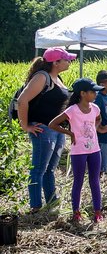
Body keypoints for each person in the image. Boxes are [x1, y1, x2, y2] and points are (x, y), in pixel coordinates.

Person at [17, 47, 73, 211]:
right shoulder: (42, 77)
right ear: (56, 62)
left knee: (50, 169)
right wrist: (25, 125)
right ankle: (35, 207)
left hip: (57, 129)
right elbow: (22, 101)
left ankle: (51, 202)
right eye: (66, 59)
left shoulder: (57, 78)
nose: (69, 61)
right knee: (38, 169)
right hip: (43, 129)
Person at [48, 78, 107, 222]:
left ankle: (97, 211)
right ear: (82, 93)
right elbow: (52, 124)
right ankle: (76, 211)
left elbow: (98, 119)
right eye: (92, 92)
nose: (95, 94)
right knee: (78, 181)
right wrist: (70, 133)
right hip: (78, 151)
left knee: (95, 181)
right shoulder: (73, 110)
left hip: (94, 149)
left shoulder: (95, 108)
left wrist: (95, 128)